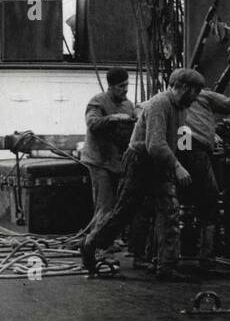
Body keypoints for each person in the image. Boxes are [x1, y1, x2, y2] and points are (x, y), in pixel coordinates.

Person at [80, 68, 199, 282]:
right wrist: (177, 166)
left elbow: (180, 139)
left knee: (169, 211)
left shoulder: (182, 108)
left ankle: (166, 266)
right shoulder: (159, 104)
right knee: (124, 211)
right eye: (194, 92)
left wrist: (188, 156)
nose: (196, 98)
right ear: (180, 87)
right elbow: (155, 144)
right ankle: (91, 243)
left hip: (161, 160)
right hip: (140, 159)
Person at [176, 68, 230, 267]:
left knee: (183, 200)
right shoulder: (202, 97)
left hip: (183, 151)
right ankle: (206, 257)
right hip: (195, 151)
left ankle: (185, 252)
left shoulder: (165, 99)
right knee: (210, 200)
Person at [81, 68, 136, 222]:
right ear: (110, 87)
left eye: (126, 85)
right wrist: (113, 118)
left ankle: (112, 239)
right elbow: (92, 122)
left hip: (117, 162)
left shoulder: (129, 106)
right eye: (121, 86)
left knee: (118, 204)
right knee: (104, 204)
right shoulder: (97, 102)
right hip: (99, 161)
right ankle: (98, 242)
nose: (125, 90)